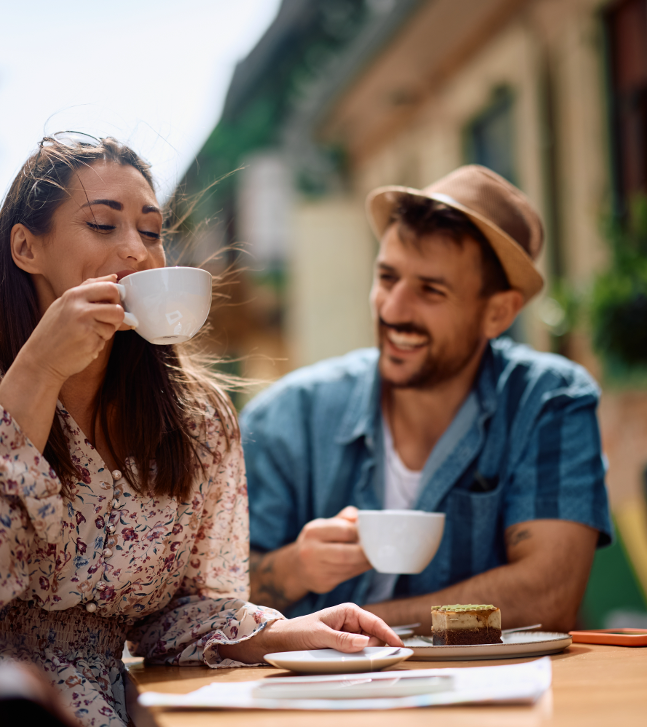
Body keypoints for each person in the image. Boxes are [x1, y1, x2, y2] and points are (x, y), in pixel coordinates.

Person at [0, 135, 399, 727]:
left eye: (151, 232)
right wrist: (40, 372)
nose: (137, 251)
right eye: (103, 225)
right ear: (26, 248)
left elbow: (185, 612)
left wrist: (277, 633)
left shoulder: (195, 419)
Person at [242, 166, 612, 632]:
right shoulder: (284, 418)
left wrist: (362, 625)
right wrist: (294, 568)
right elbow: (209, 600)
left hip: (492, 696)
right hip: (320, 700)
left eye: (431, 290)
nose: (394, 309)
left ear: (498, 312)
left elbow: (546, 597)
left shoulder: (548, 402)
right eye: (387, 277)